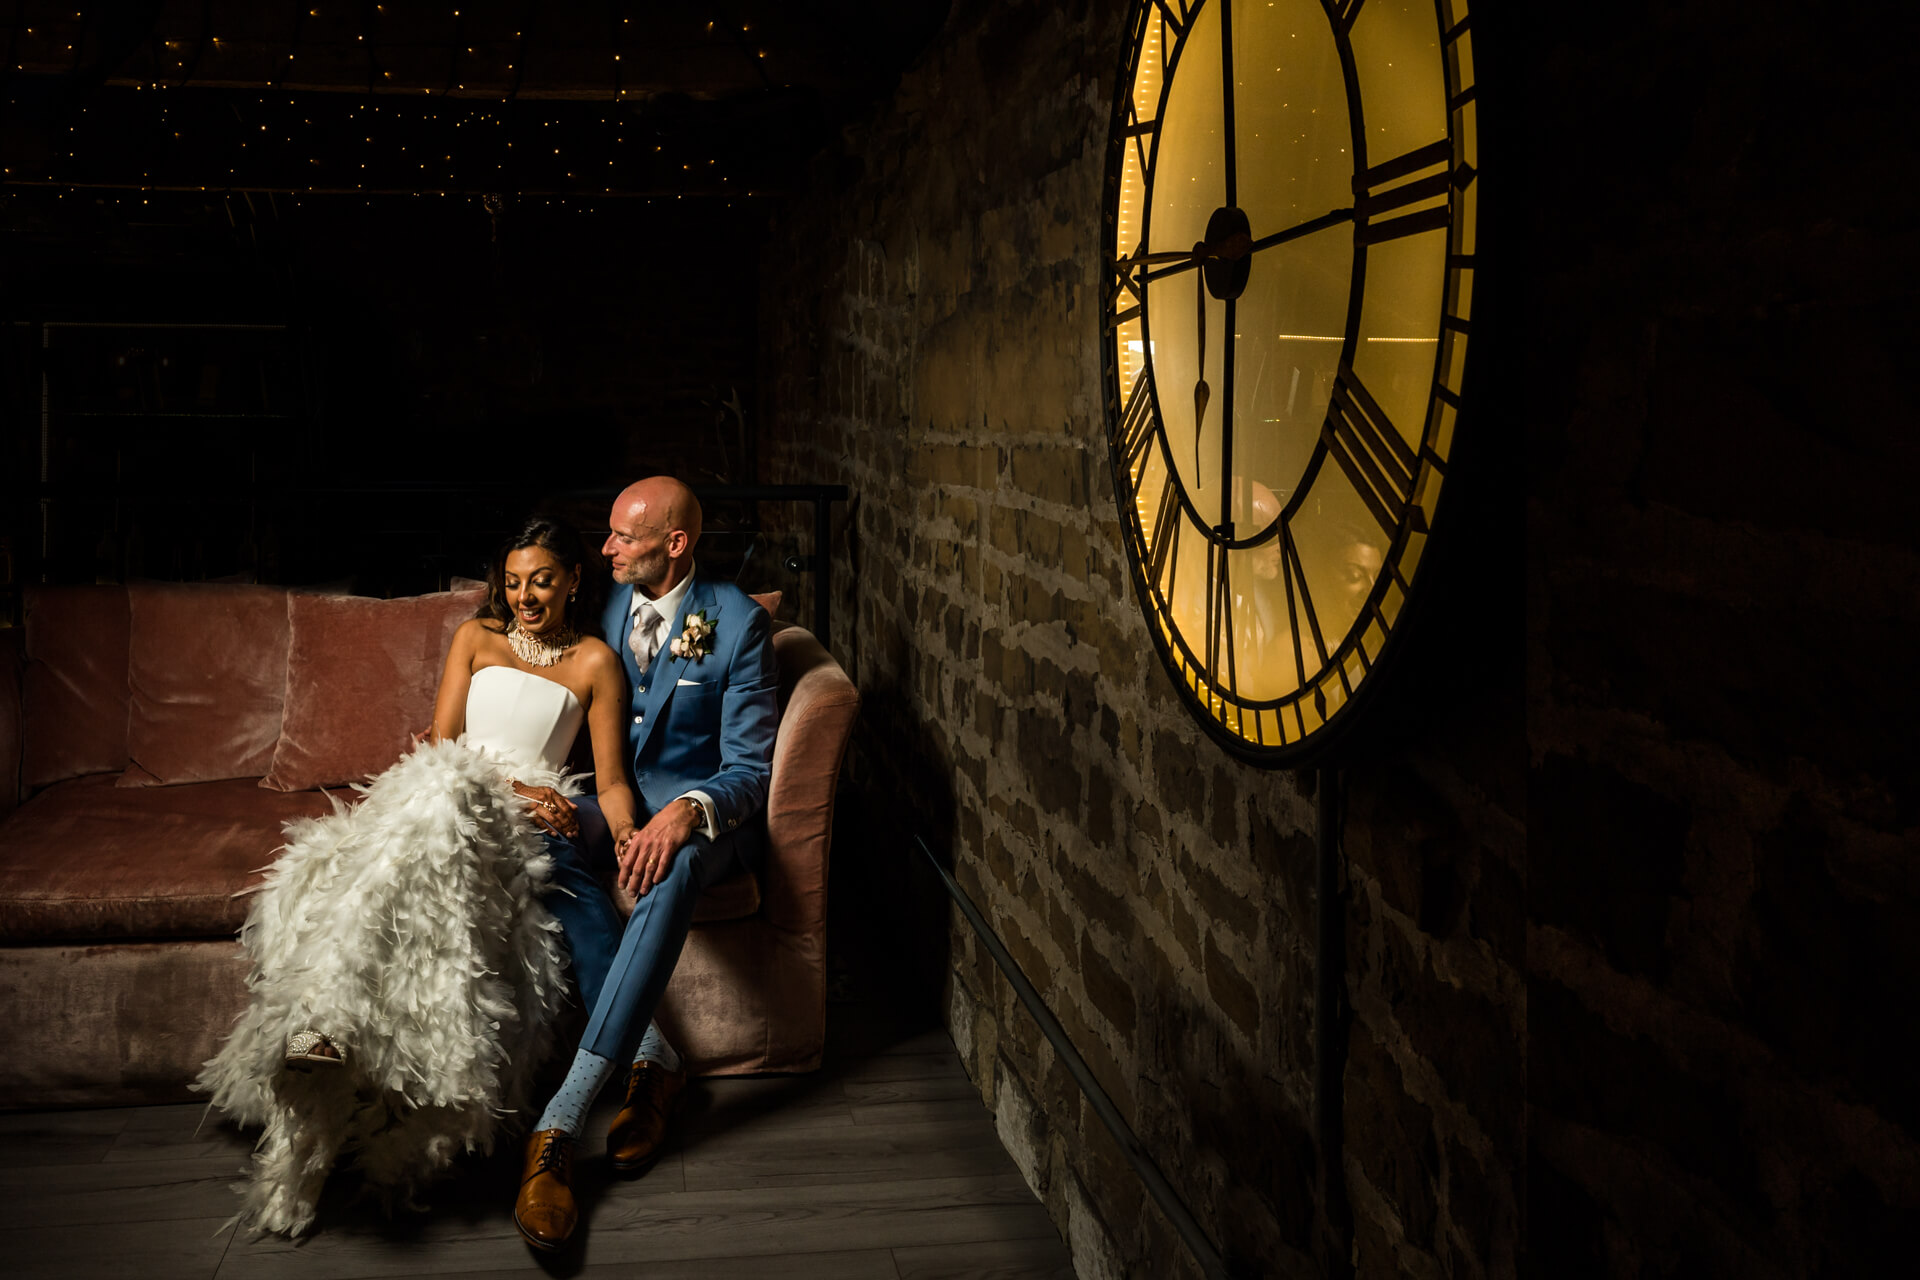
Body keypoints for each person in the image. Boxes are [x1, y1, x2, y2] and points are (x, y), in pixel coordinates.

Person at [195, 517, 640, 1237]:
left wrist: (625, 837)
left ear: (574, 581)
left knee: (446, 814)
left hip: (518, 824)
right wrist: (517, 790)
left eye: (543, 581)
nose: (526, 596)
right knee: (434, 803)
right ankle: (324, 1025)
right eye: (516, 581)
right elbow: (443, 743)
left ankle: (344, 1029)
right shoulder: (476, 638)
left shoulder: (595, 662)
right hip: (450, 785)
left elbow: (613, 781)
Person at [512, 476, 778, 1253]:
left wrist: (685, 811)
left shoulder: (737, 625)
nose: (606, 549)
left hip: (705, 819)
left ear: (675, 544)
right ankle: (656, 1064)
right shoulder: (599, 606)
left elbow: (751, 768)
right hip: (611, 806)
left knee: (675, 864)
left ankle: (559, 1124)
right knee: (536, 841)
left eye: (623, 538)